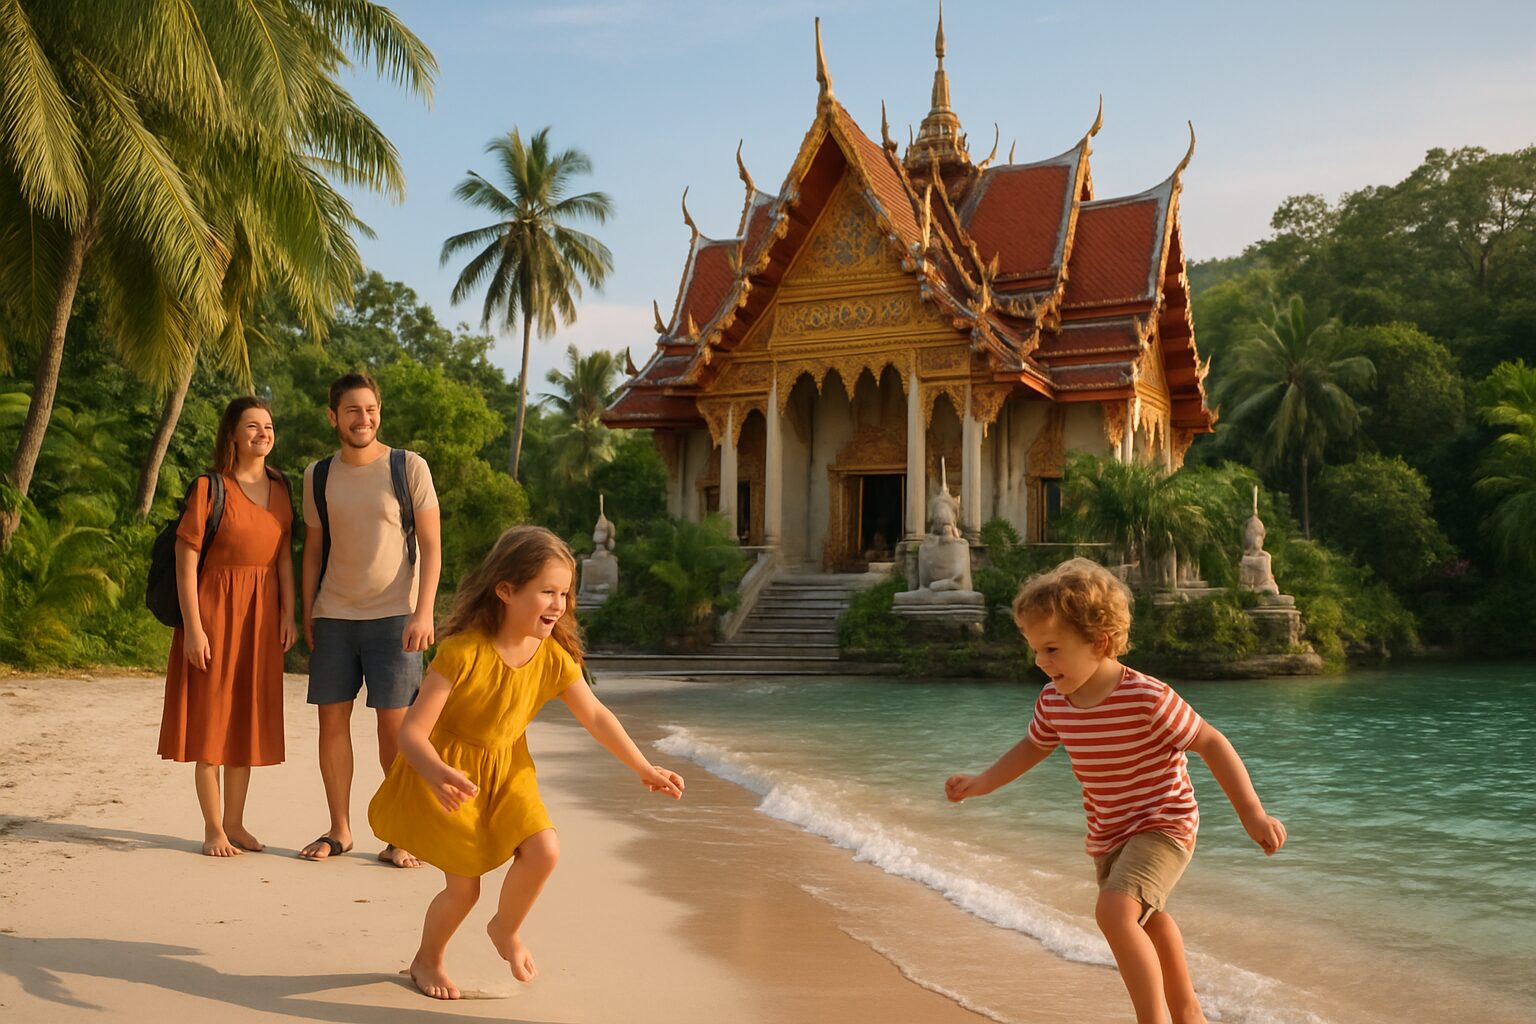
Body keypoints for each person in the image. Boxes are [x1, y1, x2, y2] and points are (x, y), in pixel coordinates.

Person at [943, 558, 1286, 1024]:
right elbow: (1031, 747)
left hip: (1165, 823)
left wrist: (1253, 814)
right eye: (1035, 651)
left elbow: (1210, 742)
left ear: (1099, 643)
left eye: (1051, 650)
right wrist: (981, 783)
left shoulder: (1147, 698)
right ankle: (1189, 1013)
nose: (1041, 663)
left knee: (1115, 912)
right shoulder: (1055, 701)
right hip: (1111, 833)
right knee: (1147, 920)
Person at [367, 525, 685, 1000]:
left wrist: (643, 766)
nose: (558, 604)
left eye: (564, 593)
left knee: (545, 850)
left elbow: (596, 715)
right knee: (464, 890)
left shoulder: (554, 657)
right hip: (451, 774)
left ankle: (506, 929)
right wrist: (436, 773)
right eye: (546, 592)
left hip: (510, 771)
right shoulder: (462, 652)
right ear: (506, 590)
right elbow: (412, 731)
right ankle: (427, 958)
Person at [298, 372, 442, 868]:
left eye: (371, 409)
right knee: (331, 724)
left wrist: (424, 612)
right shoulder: (317, 475)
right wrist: (307, 611)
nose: (364, 419)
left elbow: (431, 545)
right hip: (334, 614)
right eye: (353, 410)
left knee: (395, 732)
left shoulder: (409, 467)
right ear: (333, 416)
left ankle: (400, 832)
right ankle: (340, 830)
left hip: (396, 617)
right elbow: (312, 550)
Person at [159, 396, 295, 857]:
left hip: (261, 617)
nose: (263, 433)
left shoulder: (282, 487)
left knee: (245, 721)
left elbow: (282, 561)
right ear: (233, 435)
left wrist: (290, 612)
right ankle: (213, 828)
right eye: (253, 426)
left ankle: (236, 823)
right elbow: (185, 558)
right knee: (212, 721)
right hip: (215, 612)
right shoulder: (210, 487)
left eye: (269, 426)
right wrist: (194, 628)